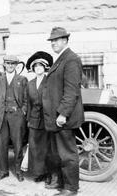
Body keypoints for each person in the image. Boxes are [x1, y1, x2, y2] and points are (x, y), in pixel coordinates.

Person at [42, 27, 85, 196]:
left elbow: (71, 91)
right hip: (56, 117)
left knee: (67, 154)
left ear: (65, 40)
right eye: (52, 40)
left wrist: (63, 114)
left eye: (57, 40)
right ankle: (61, 182)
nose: (53, 43)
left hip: (63, 118)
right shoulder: (61, 59)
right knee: (58, 153)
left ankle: (71, 188)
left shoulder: (71, 59)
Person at [0, 55, 28, 182]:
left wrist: (23, 112)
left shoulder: (22, 79)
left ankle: (18, 171)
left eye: (13, 63)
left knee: (18, 145)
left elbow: (26, 100)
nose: (10, 66)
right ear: (4, 65)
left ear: (16, 65)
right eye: (8, 63)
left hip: (17, 116)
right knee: (2, 145)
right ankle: (3, 171)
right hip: (2, 116)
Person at [25, 51, 53, 183]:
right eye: (36, 67)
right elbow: (28, 103)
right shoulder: (30, 83)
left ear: (45, 68)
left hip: (47, 120)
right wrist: (28, 120)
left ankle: (48, 174)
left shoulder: (50, 82)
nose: (38, 69)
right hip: (34, 120)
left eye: (40, 66)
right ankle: (38, 173)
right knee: (35, 147)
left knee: (47, 148)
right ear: (33, 69)